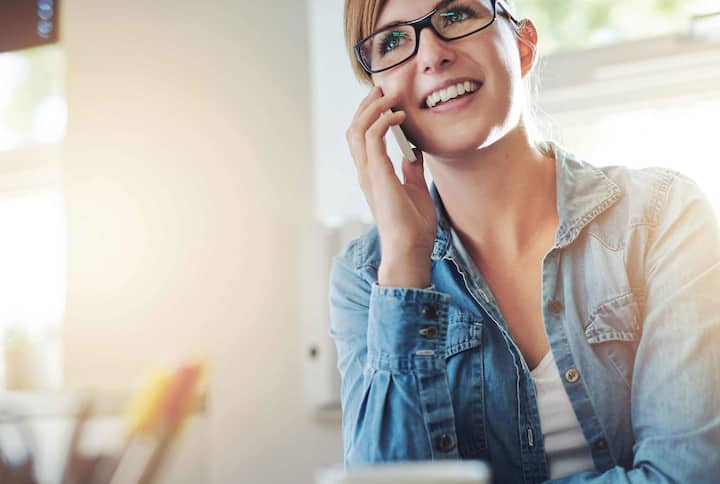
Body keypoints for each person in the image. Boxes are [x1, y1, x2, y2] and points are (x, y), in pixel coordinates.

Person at [328, 0, 720, 482]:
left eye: (455, 15)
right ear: (378, 99)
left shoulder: (664, 216)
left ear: (524, 43)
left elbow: (688, 474)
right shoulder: (368, 276)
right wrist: (406, 264)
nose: (431, 55)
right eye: (393, 41)